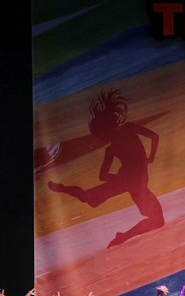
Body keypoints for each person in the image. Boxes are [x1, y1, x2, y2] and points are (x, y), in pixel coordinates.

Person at [47, 88, 165, 248]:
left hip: (131, 183)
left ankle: (63, 188)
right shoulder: (127, 130)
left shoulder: (114, 146)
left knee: (89, 198)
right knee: (157, 220)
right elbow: (154, 137)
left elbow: (103, 175)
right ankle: (123, 236)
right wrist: (150, 157)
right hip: (136, 185)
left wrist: (121, 177)